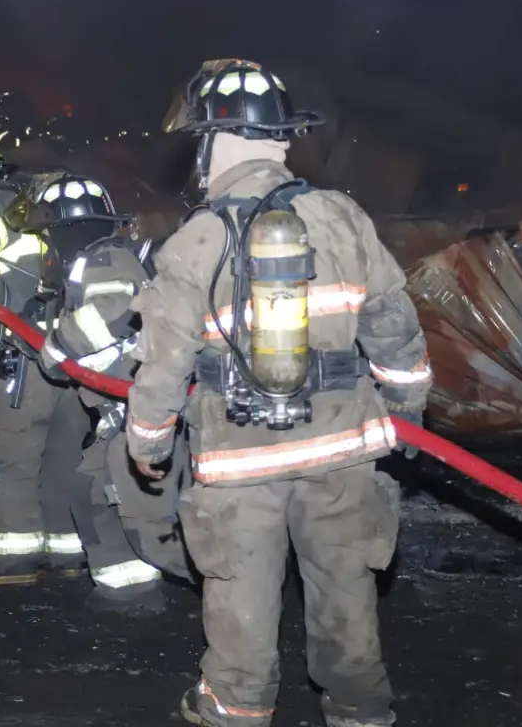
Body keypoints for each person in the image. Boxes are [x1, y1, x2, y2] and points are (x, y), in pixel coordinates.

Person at [126, 60, 432, 727]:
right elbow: (394, 326)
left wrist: (146, 441)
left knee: (241, 592)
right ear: (283, 139)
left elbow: (161, 365)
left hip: (239, 464)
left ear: (213, 143)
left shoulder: (195, 240)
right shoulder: (343, 218)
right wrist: (407, 408)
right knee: (346, 589)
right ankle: (359, 708)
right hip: (343, 450)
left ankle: (235, 706)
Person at [0, 173, 193, 614]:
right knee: (92, 488)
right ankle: (127, 592)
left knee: (114, 496)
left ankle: (142, 590)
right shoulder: (94, 260)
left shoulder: (103, 259)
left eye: (49, 231)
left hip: (136, 405)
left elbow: (112, 311)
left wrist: (58, 345)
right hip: (123, 408)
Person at [0, 139, 91, 584]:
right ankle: (67, 557)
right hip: (71, 356)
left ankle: (12, 564)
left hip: (20, 361)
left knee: (6, 458)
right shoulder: (38, 205)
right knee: (62, 458)